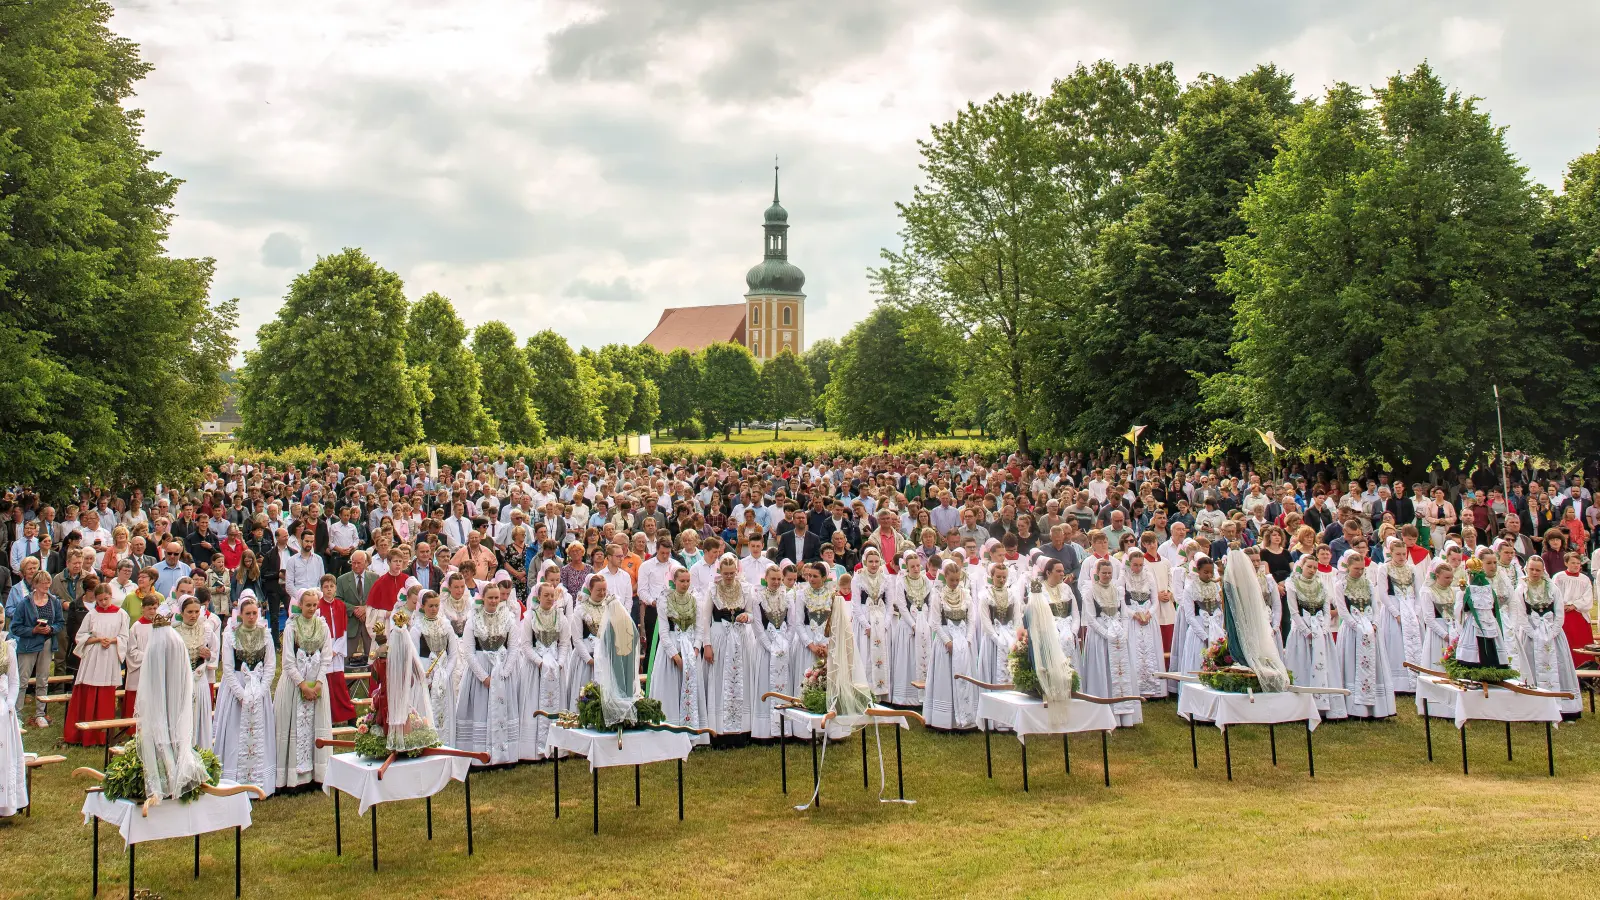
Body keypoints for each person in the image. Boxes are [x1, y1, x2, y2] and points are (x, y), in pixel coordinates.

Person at [214, 593, 277, 794]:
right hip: (237, 688)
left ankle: (260, 780)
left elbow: (270, 666)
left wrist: (260, 690)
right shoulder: (230, 635)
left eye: (254, 613)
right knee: (235, 733)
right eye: (248, 613)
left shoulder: (265, 634)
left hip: (258, 688)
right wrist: (242, 695)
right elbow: (228, 668)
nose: (251, 617)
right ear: (240, 614)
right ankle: (234, 780)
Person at [454, 585, 523, 765]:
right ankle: (479, 757)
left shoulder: (508, 618)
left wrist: (505, 672)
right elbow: (468, 652)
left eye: (496, 598)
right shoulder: (473, 620)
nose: (493, 601)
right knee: (481, 711)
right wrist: (484, 677)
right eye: (490, 598)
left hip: (502, 672)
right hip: (480, 673)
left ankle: (504, 755)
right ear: (483, 598)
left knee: (504, 711)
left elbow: (514, 648)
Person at [275, 589, 334, 789]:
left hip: (316, 681)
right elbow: (288, 661)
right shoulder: (292, 626)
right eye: (307, 605)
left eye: (314, 605)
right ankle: (293, 778)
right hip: (295, 683)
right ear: (300, 605)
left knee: (314, 726)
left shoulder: (323, 626)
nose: (311, 608)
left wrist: (318, 682)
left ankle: (316, 774)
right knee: (294, 727)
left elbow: (326, 656)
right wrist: (302, 684)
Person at [1514, 557, 1583, 718]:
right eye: (1532, 569)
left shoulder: (1552, 588)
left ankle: (1564, 708)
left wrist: (1553, 632)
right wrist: (1532, 632)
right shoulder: (1521, 589)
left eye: (1538, 570)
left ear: (1543, 570)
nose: (1535, 573)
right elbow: (1521, 614)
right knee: (1530, 667)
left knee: (1560, 665)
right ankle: (1534, 708)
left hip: (1553, 633)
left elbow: (1560, 613)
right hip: (1531, 633)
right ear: (1527, 569)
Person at [62, 583, 128, 745]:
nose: (103, 603)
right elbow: (80, 636)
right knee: (88, 690)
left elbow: (125, 637)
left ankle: (101, 736)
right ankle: (83, 734)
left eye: (106, 599)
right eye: (100, 600)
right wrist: (98, 639)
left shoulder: (121, 614)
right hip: (93, 656)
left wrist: (112, 640)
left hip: (110, 655)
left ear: (111, 597)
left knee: (105, 692)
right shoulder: (92, 614)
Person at [1333, 552, 1395, 719]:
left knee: (1374, 664)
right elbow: (1342, 610)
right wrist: (1356, 626)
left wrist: (1374, 623)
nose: (1359, 572)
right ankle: (1354, 708)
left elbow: (1375, 606)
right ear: (1348, 567)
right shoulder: (1341, 585)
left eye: (1362, 569)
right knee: (1352, 664)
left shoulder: (1368, 583)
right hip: (1352, 630)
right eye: (1356, 569)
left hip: (1369, 628)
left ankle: (1376, 708)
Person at [1285, 555, 1347, 719]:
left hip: (1320, 630)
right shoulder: (1292, 584)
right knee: (1303, 665)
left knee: (1325, 666)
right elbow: (1293, 612)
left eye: (1314, 567)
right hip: (1302, 631)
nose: (1312, 570)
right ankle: (1300, 709)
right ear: (1302, 566)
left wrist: (1325, 628)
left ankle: (1326, 706)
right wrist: (1306, 631)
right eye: (1309, 567)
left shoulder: (1321, 585)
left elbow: (1327, 610)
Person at [701, 553, 755, 739]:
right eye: (726, 573)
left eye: (732, 573)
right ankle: (719, 729)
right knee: (720, 678)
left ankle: (742, 729)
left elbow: (752, 613)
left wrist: (747, 617)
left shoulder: (746, 589)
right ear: (720, 572)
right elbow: (705, 619)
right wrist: (706, 645)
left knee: (742, 677)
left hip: (741, 637)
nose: (729, 576)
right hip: (719, 637)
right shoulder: (713, 589)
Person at [1082, 557, 1141, 725]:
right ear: (1097, 574)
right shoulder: (1090, 592)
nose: (1107, 576)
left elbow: (1124, 614)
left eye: (1109, 573)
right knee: (1104, 670)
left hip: (1118, 634)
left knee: (1122, 670)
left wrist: (1124, 632)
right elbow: (1091, 619)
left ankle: (1125, 714)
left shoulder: (1117, 590)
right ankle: (1106, 713)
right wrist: (1106, 634)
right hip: (1101, 635)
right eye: (1104, 573)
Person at [922, 559, 977, 731]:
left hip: (962, 640)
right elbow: (935, 622)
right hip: (946, 639)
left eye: (957, 580)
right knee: (945, 677)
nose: (954, 583)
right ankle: (945, 719)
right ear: (945, 576)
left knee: (965, 675)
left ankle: (967, 716)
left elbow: (971, 620)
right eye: (951, 579)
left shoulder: (965, 594)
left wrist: (967, 639)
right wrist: (947, 641)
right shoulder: (938, 595)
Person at [409, 591, 460, 752]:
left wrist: (446, 673)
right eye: (430, 606)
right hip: (425, 674)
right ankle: (426, 744)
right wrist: (425, 676)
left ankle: (445, 743)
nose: (434, 609)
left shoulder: (446, 625)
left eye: (437, 605)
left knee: (444, 711)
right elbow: (413, 655)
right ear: (423, 606)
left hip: (443, 674)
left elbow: (453, 652)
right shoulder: (417, 628)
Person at [172, 595, 218, 750]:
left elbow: (215, 653)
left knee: (199, 717)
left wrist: (209, 655)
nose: (193, 615)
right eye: (189, 612)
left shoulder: (206, 629)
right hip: (181, 681)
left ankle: (201, 752)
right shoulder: (174, 631)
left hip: (199, 680)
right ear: (182, 612)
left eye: (196, 612)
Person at [1119, 552, 1167, 699]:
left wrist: (1148, 613)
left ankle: (1155, 688)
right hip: (1132, 619)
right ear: (1129, 564)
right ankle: (1137, 688)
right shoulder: (1123, 578)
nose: (1138, 568)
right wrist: (1134, 614)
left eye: (1140, 565)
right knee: (1135, 650)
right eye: (1135, 565)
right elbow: (1121, 603)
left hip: (1147, 617)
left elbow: (1155, 601)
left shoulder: (1149, 576)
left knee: (1150, 649)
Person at [1376, 537, 1420, 693]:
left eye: (1404, 554)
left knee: (1414, 642)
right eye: (1398, 554)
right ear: (1391, 553)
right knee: (1395, 643)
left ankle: (1415, 680)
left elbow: (1418, 592)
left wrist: (1415, 611)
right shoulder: (1384, 568)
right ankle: (1397, 683)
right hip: (1393, 608)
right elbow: (1382, 594)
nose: (1402, 557)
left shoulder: (1412, 569)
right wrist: (1396, 613)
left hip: (1410, 607)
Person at [890, 550, 933, 707]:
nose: (916, 568)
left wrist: (926, 624)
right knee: (908, 659)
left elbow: (931, 601)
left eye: (917, 565)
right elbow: (901, 606)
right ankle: (907, 697)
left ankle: (924, 695)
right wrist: (913, 625)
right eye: (912, 566)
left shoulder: (926, 581)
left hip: (924, 625)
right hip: (908, 626)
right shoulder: (902, 582)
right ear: (907, 567)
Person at [851, 547, 894, 700]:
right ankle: (865, 693)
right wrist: (866, 625)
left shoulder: (886, 578)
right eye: (871, 562)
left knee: (880, 654)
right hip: (865, 619)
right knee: (866, 655)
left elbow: (890, 604)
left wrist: (886, 625)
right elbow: (855, 605)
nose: (874, 565)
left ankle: (881, 692)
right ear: (865, 562)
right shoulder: (858, 578)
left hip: (881, 620)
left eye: (876, 561)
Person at [312, 574, 356, 724]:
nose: (329, 590)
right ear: (321, 589)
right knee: (326, 683)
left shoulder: (340, 605)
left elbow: (343, 629)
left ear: (336, 588)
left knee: (339, 684)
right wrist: (326, 650)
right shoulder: (317, 606)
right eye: (326, 587)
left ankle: (348, 715)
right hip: (323, 647)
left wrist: (336, 650)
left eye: (331, 586)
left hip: (337, 647)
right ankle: (328, 717)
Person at [565, 574, 610, 711]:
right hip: (585, 660)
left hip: (604, 657)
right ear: (590, 589)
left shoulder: (609, 607)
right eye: (598, 590)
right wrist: (589, 660)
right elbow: (577, 639)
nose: (602, 593)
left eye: (604, 590)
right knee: (585, 690)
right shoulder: (580, 609)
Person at [975, 561, 1019, 690]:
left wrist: (1014, 636)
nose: (1001, 579)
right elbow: (985, 619)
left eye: (1004, 577)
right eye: (998, 577)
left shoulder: (1012, 594)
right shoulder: (985, 596)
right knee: (993, 667)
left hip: (1009, 637)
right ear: (992, 576)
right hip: (992, 638)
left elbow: (1017, 617)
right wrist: (996, 638)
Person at [0, 605, 25, 817]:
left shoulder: (7, 647)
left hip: (3, 709)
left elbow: (14, 680)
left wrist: (9, 704)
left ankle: (5, 802)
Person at [1551, 552, 1595, 669]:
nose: (1576, 566)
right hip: (1563, 614)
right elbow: (1554, 594)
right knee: (1567, 643)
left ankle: (1585, 670)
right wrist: (1563, 605)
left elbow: (1588, 597)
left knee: (1581, 643)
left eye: (1578, 563)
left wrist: (1574, 605)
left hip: (1579, 614)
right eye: (1573, 563)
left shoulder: (1585, 579)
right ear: (1566, 563)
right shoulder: (1559, 577)